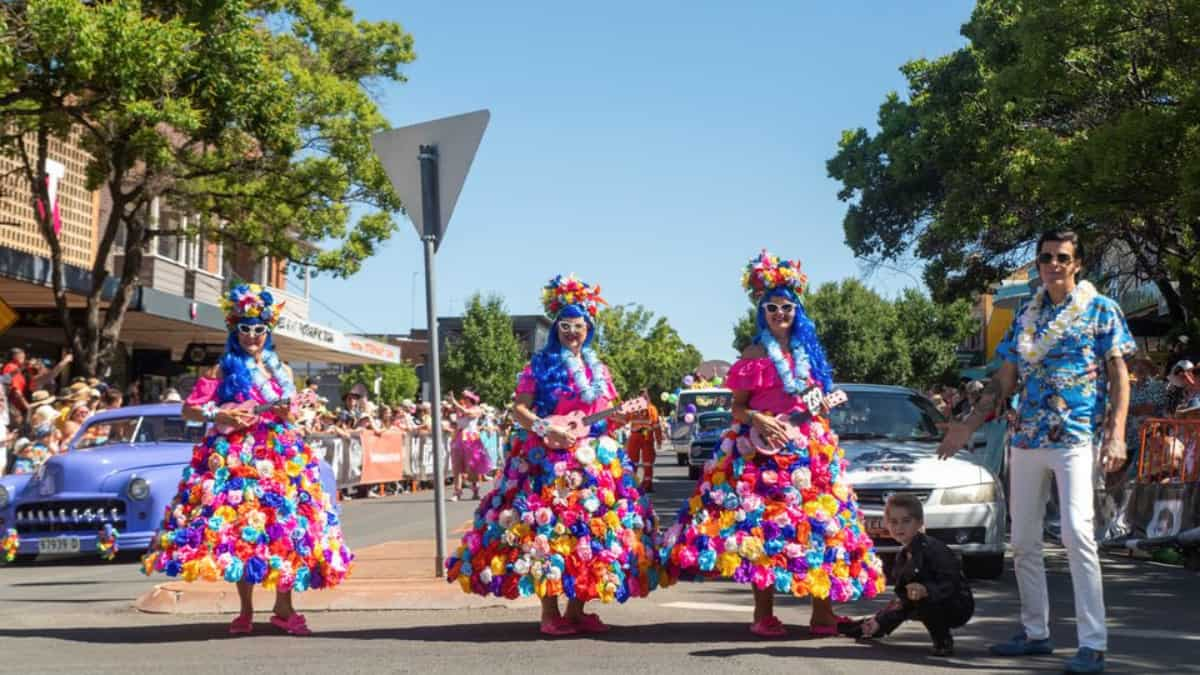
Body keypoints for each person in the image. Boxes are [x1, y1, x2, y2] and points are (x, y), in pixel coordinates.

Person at [939, 230, 1135, 674]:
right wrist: (966, 426)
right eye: (1045, 257)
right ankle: (1034, 632)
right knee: (1023, 540)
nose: (1052, 264)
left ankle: (1093, 642)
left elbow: (1120, 375)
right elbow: (1004, 381)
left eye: (1062, 257)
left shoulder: (1101, 309)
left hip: (1075, 437)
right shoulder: (1025, 315)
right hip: (1026, 438)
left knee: (1076, 534)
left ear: (1077, 263)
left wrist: (1117, 433)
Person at [662, 251, 885, 638]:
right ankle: (763, 615)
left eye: (787, 307)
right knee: (762, 533)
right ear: (762, 313)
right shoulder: (754, 354)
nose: (780, 313)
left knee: (821, 530)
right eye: (772, 308)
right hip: (760, 454)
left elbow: (819, 404)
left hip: (808, 451)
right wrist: (760, 418)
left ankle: (822, 614)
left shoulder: (811, 355)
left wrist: (821, 414)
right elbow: (737, 408)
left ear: (797, 311)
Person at [444, 274, 666, 636]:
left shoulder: (600, 369)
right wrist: (548, 428)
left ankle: (577, 610)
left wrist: (621, 416)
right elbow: (519, 409)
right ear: (556, 328)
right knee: (544, 533)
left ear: (588, 328)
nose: (572, 333)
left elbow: (607, 415)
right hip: (547, 460)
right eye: (565, 326)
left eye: (578, 326)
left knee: (588, 537)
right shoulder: (540, 364)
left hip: (593, 461)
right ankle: (550, 614)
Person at [140, 284, 352, 636]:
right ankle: (245, 611)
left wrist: (290, 410)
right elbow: (189, 409)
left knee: (285, 529)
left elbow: (290, 410)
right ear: (235, 331)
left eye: (259, 330)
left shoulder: (280, 369)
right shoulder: (223, 368)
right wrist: (219, 416)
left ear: (268, 332)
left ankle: (285, 609)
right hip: (237, 456)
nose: (252, 336)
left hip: (280, 454)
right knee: (242, 532)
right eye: (246, 329)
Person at [843, 494, 974, 656]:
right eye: (893, 522)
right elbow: (902, 598)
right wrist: (879, 623)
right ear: (887, 525)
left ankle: (943, 641)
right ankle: (872, 627)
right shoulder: (903, 555)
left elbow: (951, 583)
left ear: (919, 523)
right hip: (928, 601)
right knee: (910, 597)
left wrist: (927, 590)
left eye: (906, 521)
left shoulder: (935, 549)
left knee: (920, 597)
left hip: (957, 604)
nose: (899, 527)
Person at [447, 390, 490, 501]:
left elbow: (468, 413)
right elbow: (458, 419)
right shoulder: (460, 409)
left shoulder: (477, 409)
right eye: (463, 398)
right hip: (459, 438)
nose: (464, 400)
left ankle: (475, 490)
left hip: (471, 439)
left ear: (470, 400)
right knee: (457, 466)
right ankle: (457, 492)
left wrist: (454, 402)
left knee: (472, 467)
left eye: (466, 398)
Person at [625, 388, 663, 493]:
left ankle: (634, 485)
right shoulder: (651, 408)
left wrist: (659, 439)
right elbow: (656, 426)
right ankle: (643, 485)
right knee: (642, 463)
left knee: (640, 463)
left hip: (640, 436)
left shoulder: (635, 407)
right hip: (645, 436)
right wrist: (659, 439)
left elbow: (625, 418)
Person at [2, 348, 29, 429]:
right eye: (22, 355)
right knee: (16, 430)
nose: (24, 357)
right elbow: (16, 390)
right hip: (13, 406)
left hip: (14, 405)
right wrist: (26, 405)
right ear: (14, 356)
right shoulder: (11, 367)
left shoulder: (15, 368)